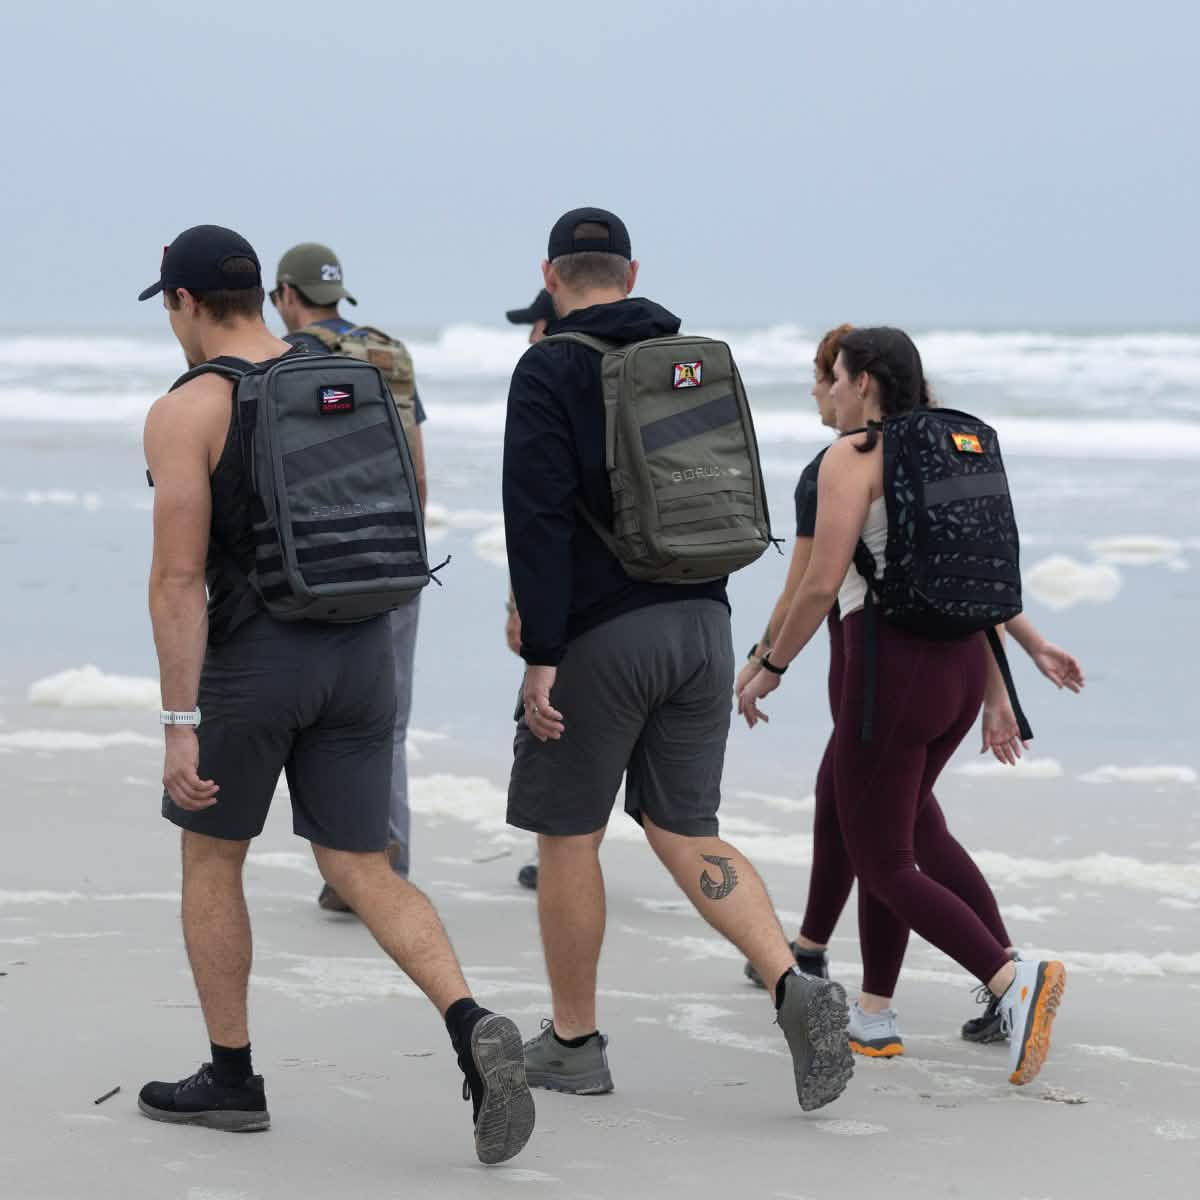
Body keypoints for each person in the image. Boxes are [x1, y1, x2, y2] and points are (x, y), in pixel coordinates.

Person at [135, 224, 534, 1164]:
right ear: (256, 296)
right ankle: (469, 1021)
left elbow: (178, 583)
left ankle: (231, 1079)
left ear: (186, 304)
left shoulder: (188, 408)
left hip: (256, 664)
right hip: (362, 655)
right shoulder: (344, 373)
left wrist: (179, 724)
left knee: (211, 860)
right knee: (364, 868)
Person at [502, 206, 854, 1111]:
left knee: (570, 834)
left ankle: (574, 1042)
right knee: (683, 826)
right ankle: (790, 982)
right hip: (704, 623)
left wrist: (542, 654)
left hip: (603, 637)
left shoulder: (550, 365)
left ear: (551, 277)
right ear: (632, 271)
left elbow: (535, 519)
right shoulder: (689, 359)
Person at [737, 328, 1084, 1057]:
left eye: (832, 376)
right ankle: (875, 1014)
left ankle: (1008, 977)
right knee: (893, 842)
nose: (825, 389)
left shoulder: (851, 458)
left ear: (865, 381)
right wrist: (1009, 671)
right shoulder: (946, 449)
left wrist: (771, 663)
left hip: (888, 671)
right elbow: (972, 581)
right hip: (959, 671)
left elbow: (820, 584)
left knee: (885, 860)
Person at [271, 243, 426, 905]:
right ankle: (388, 853)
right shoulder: (390, 352)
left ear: (284, 294)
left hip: (320, 564)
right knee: (387, 717)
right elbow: (418, 472)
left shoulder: (284, 362)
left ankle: (352, 865)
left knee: (320, 715)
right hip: (396, 551)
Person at [503, 288, 556, 891]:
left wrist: (522, 610)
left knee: (557, 743)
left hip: (571, 617)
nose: (528, 337)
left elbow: (533, 515)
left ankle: (560, 860)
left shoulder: (544, 378)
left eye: (534, 323)